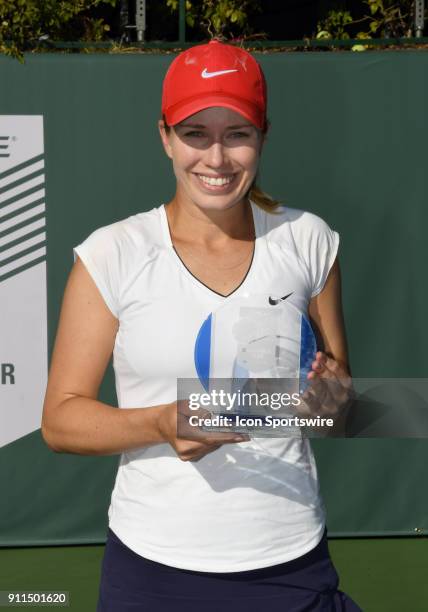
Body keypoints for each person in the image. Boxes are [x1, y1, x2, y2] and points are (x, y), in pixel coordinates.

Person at [42, 40, 361, 611]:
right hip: (153, 571)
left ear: (262, 136)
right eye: (196, 134)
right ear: (164, 137)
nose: (217, 159)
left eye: (237, 133)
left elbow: (335, 396)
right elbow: (61, 419)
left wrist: (331, 398)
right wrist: (163, 422)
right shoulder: (113, 253)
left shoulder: (309, 240)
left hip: (291, 560)